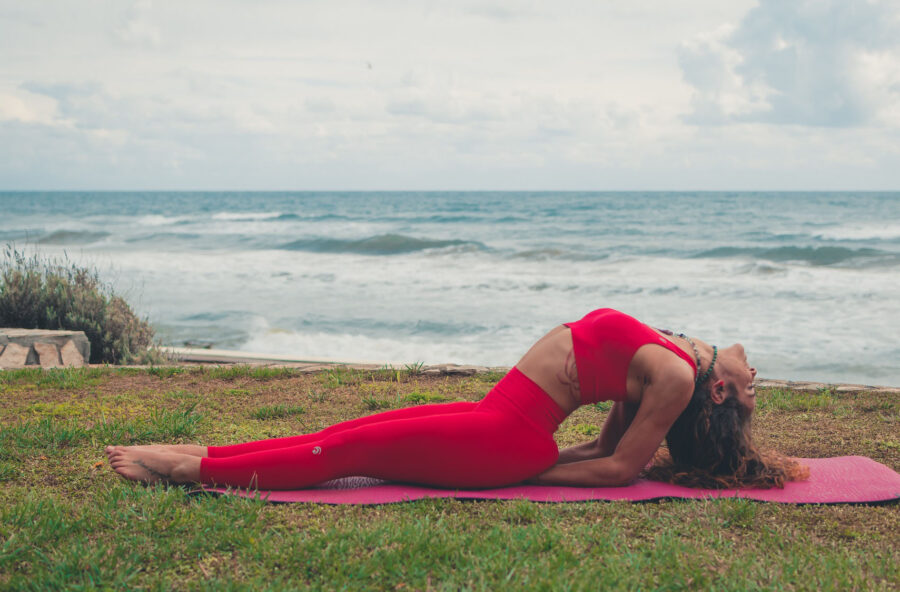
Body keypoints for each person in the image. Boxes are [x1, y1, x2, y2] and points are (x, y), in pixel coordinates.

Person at [106, 308, 806, 490]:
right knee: (347, 431)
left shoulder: (683, 378)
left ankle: (185, 471)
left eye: (752, 393)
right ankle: (209, 454)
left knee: (347, 452)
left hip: (506, 440)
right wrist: (553, 459)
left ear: (722, 389)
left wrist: (530, 470)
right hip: (495, 422)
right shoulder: (676, 356)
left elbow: (621, 469)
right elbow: (602, 445)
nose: (755, 378)